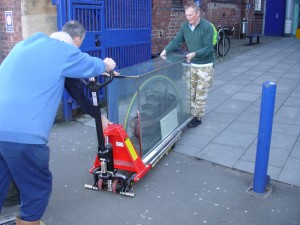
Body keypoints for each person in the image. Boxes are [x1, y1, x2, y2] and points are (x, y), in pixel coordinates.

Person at [0, 20, 116, 225]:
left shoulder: (22, 46)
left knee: (2, 178)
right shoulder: (63, 51)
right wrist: (107, 64)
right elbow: (93, 65)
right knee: (37, 186)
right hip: (26, 137)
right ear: (75, 41)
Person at [160, 1, 214, 128]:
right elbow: (177, 40)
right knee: (190, 92)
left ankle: (197, 117)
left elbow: (208, 48)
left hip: (204, 65)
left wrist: (194, 53)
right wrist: (166, 50)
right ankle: (190, 114)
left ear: (198, 13)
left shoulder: (207, 27)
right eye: (186, 15)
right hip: (191, 65)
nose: (188, 18)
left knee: (200, 93)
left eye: (190, 15)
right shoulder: (185, 27)